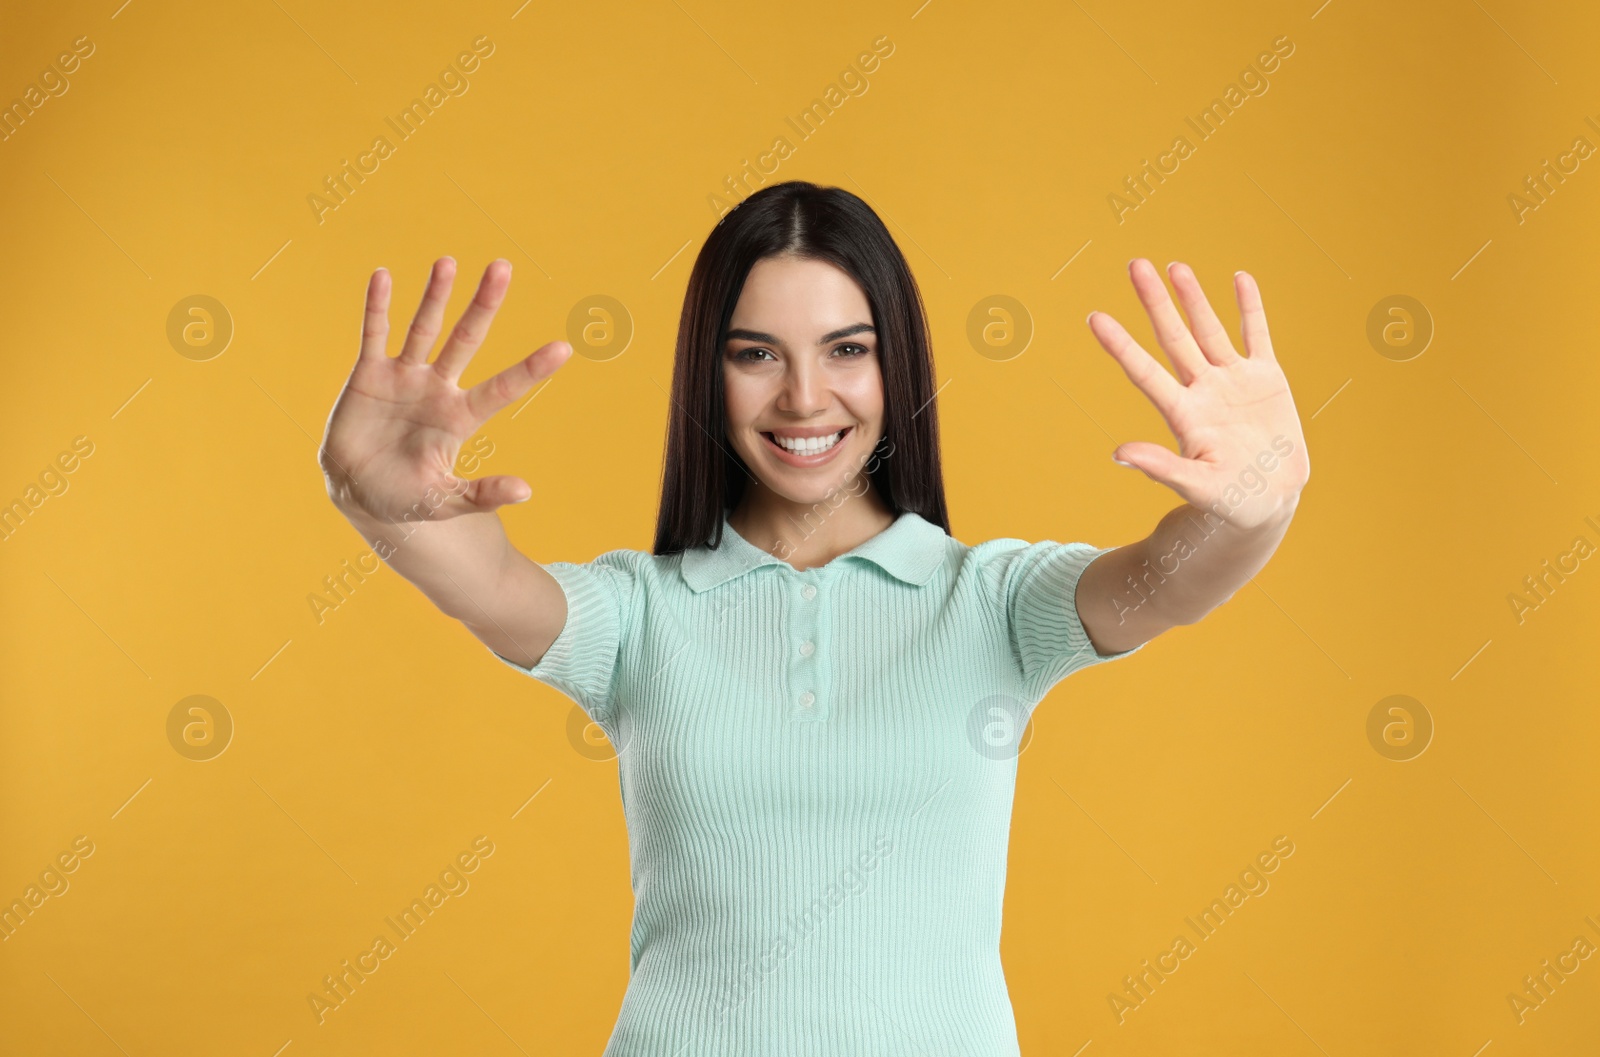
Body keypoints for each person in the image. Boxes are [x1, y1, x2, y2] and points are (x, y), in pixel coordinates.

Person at [318, 180, 1309, 1055]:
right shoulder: (638, 617)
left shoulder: (995, 602)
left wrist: (1261, 503)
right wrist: (368, 489)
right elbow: (483, 578)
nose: (803, 397)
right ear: (707, 371)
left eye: (847, 350)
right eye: (756, 353)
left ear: (899, 368)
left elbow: (1172, 580)